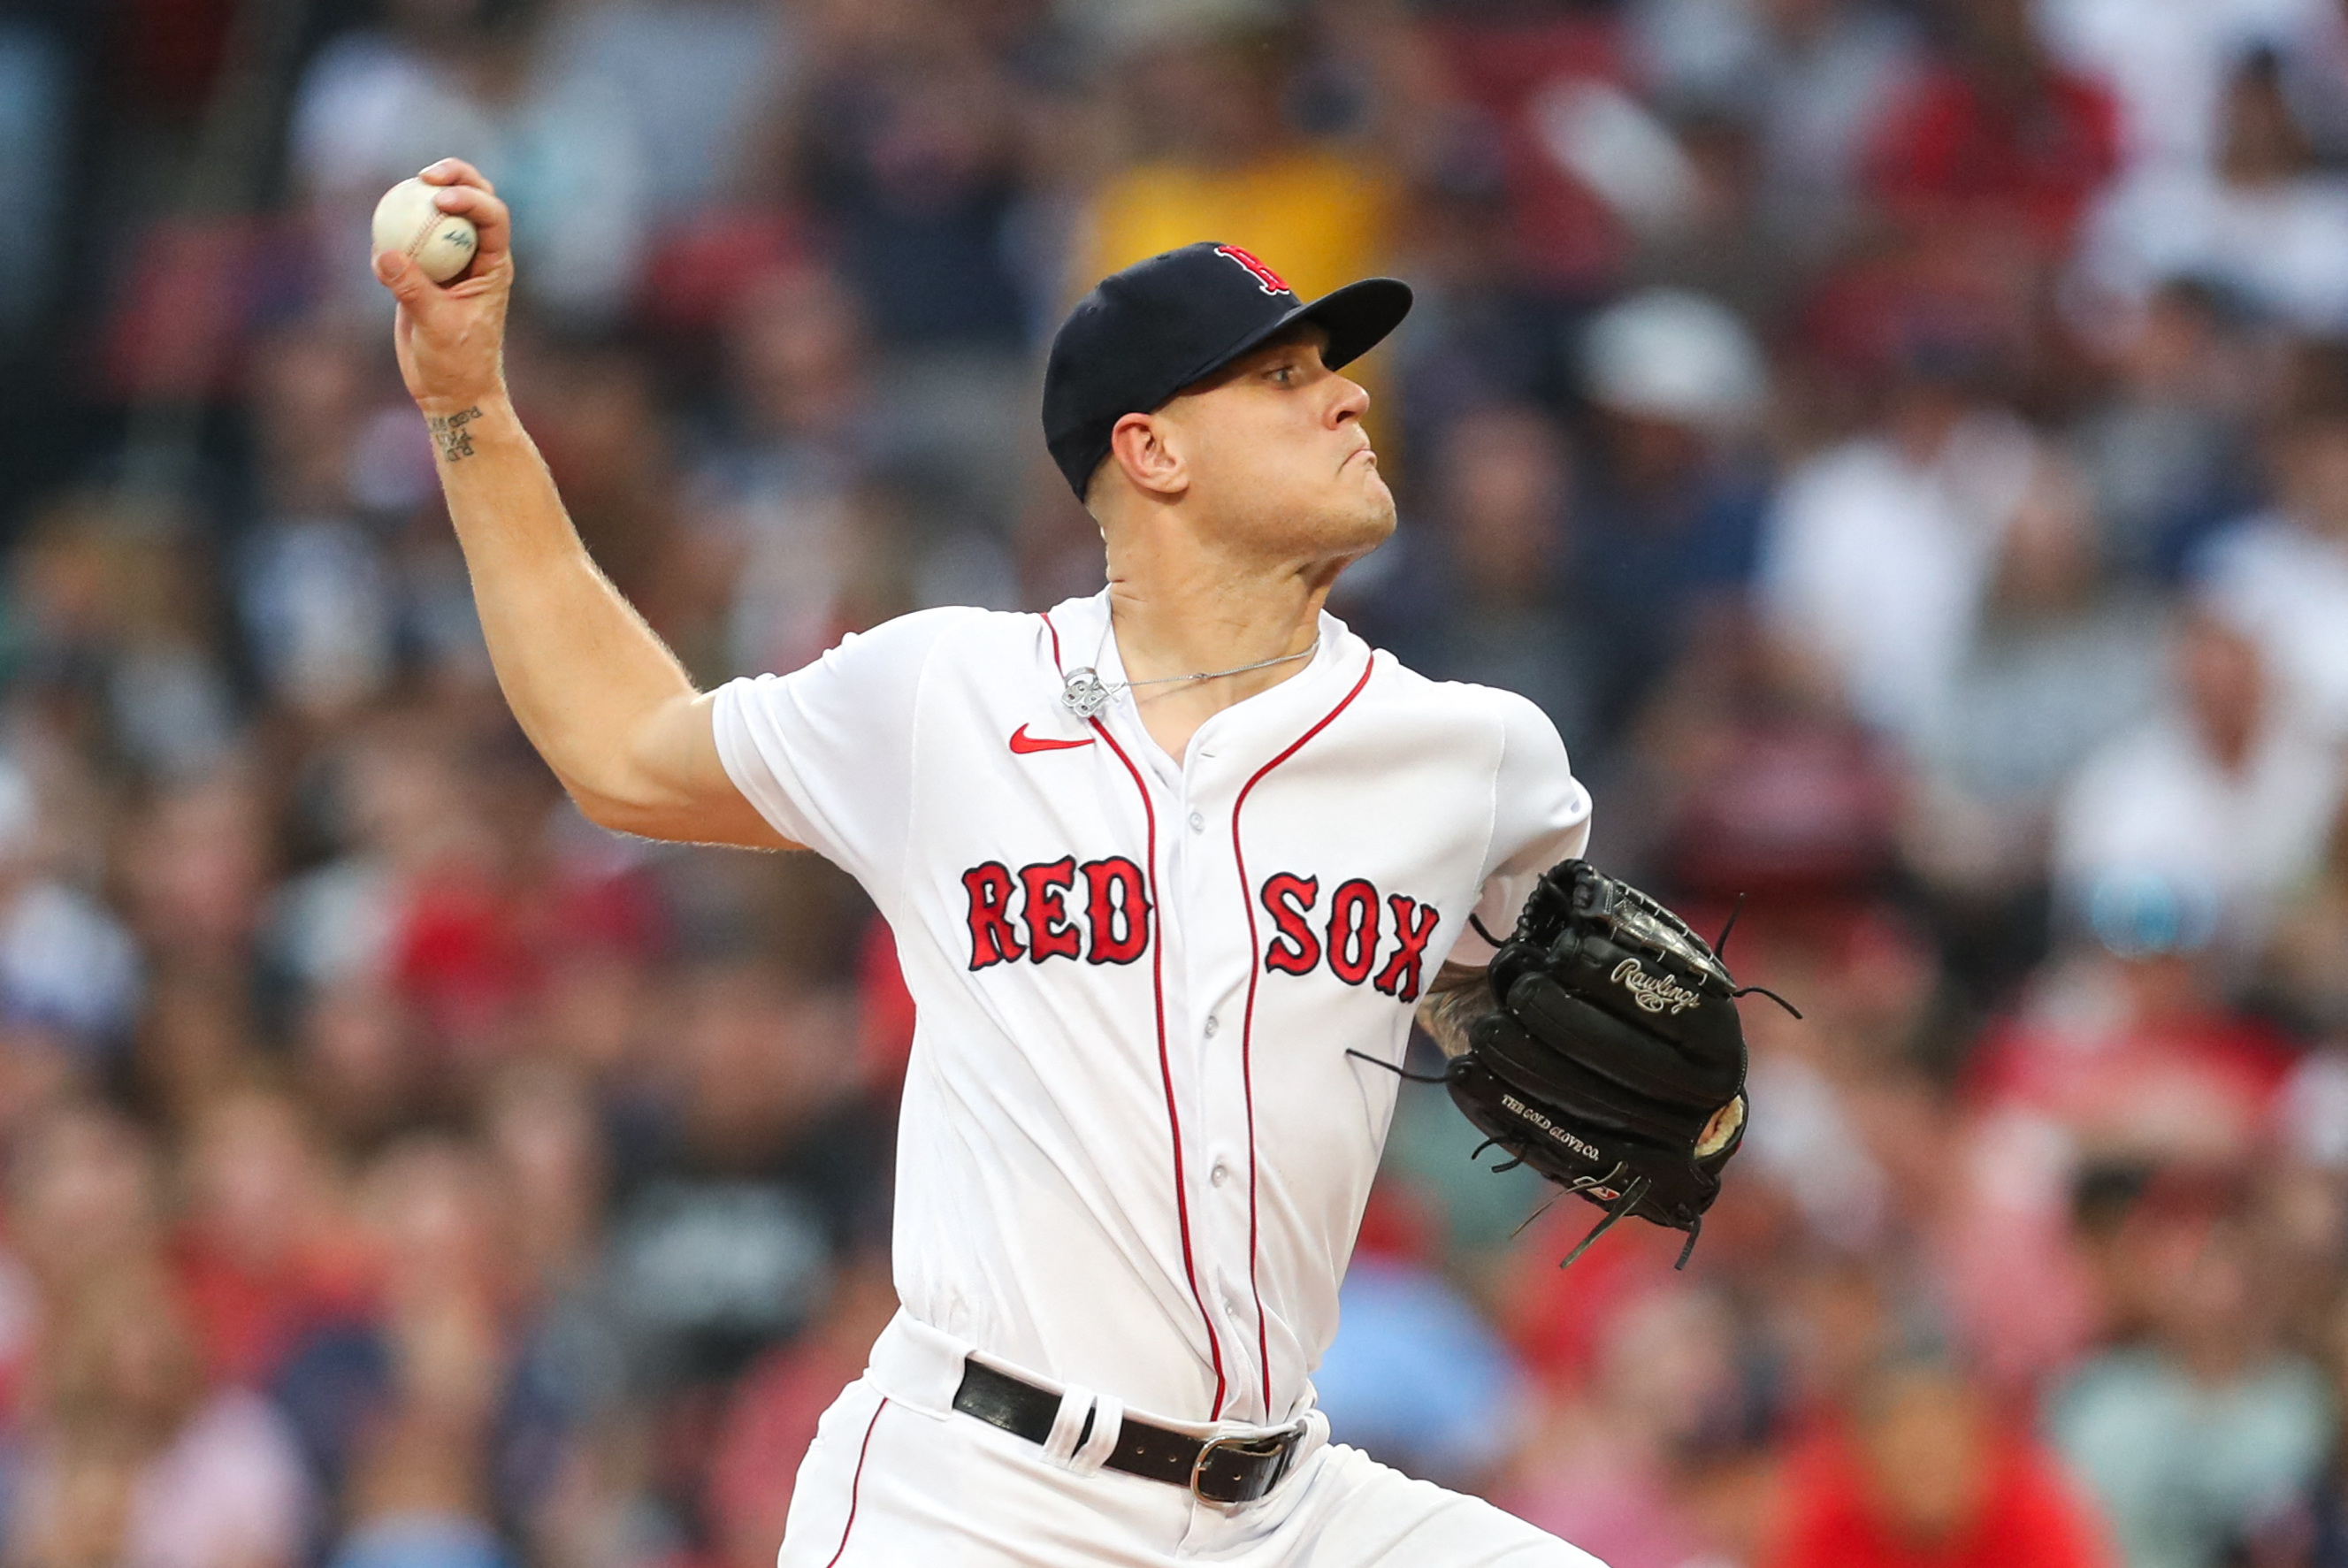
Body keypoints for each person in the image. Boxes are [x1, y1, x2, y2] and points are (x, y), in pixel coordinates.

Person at [373, 159, 1598, 1565]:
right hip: (980, 1495)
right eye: (1284, 375)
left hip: (1291, 1503)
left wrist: (1671, 1105)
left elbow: (1545, 1020)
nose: (1348, 395)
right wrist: (468, 410)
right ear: (1154, 452)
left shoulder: (1476, 761)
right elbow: (624, 746)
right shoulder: (947, 695)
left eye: (1337, 368)